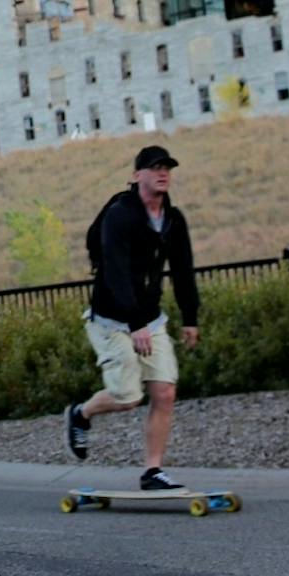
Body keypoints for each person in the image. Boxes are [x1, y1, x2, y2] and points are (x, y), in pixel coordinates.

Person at [62, 144, 200, 490]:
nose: (162, 172)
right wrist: (134, 323)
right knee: (127, 397)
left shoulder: (173, 219)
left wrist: (190, 317)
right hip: (110, 319)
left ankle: (153, 471)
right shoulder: (120, 215)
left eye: (167, 167)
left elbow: (183, 269)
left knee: (165, 393)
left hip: (150, 319)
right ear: (137, 175)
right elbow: (115, 272)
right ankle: (81, 414)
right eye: (154, 167)